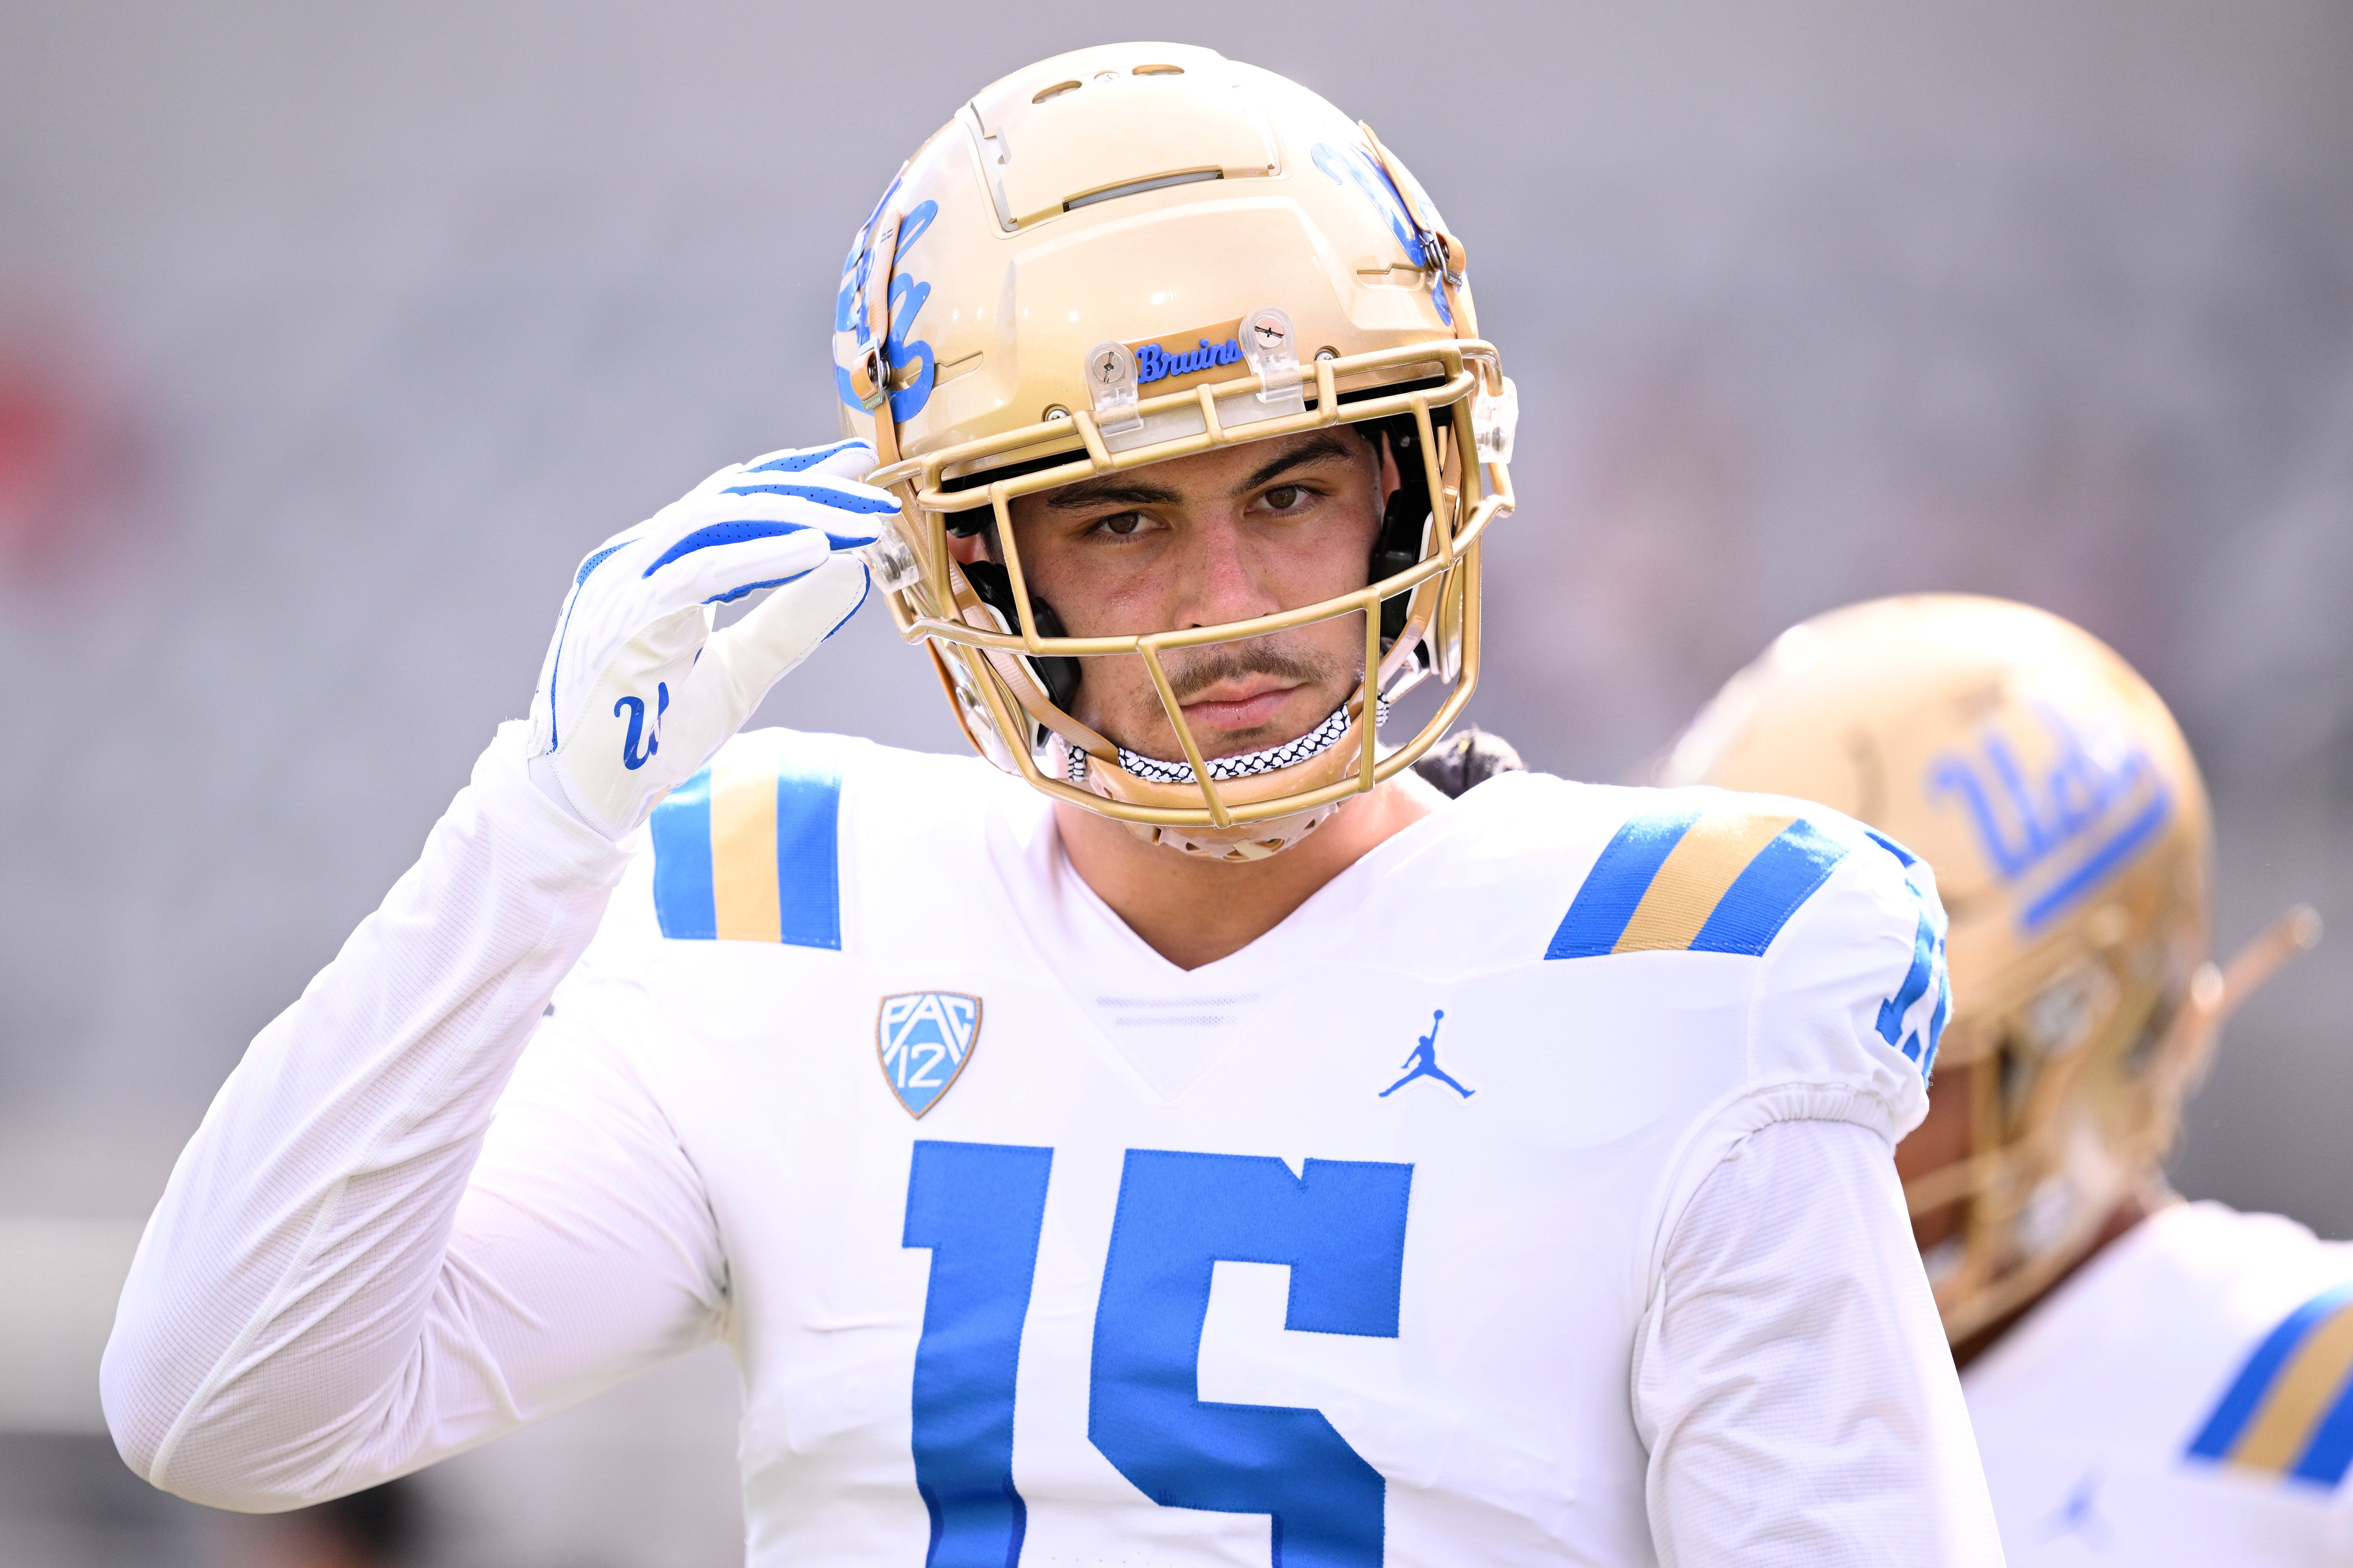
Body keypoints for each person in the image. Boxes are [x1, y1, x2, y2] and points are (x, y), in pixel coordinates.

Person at [103, 45, 1999, 1566]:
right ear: (982, 578)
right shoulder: (791, 913)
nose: (1237, 606)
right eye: (1121, 520)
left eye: (1291, 490)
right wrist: (536, 830)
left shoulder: (1681, 975)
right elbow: (221, 1404)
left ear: (1414, 492)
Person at [1661, 591, 2335, 1563]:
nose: (1763, 1120)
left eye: (1878, 1056)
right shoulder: (1664, 1397)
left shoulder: (2302, 1387)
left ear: (2087, 1033)